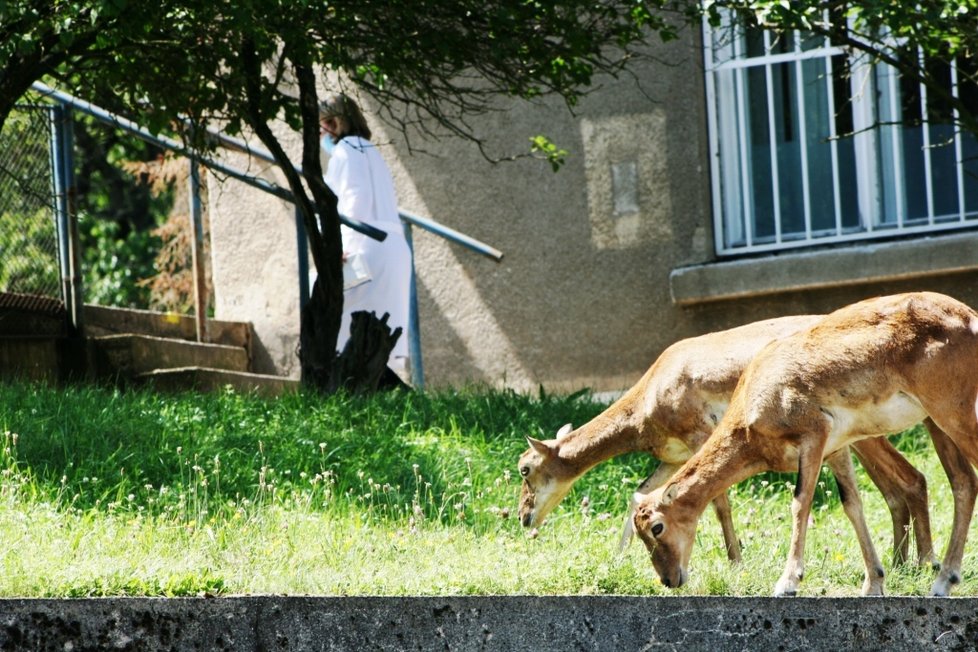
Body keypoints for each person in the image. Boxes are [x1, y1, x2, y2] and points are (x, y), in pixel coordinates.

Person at [318, 92, 412, 380]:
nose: (320, 134)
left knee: (343, 320)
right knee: (386, 322)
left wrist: (339, 247)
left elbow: (353, 200)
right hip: (393, 247)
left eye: (321, 126)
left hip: (365, 246)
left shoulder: (346, 151)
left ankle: (342, 390)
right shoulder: (371, 150)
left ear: (333, 124)